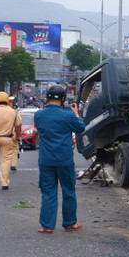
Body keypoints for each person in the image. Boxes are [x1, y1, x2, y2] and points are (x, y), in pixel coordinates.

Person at [33, 85, 86, 233]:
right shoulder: (68, 116)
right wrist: (76, 114)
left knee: (48, 192)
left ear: (47, 97)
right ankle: (70, 222)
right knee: (68, 191)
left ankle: (47, 226)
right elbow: (80, 127)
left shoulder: (39, 115)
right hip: (64, 159)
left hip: (46, 160)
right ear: (63, 98)